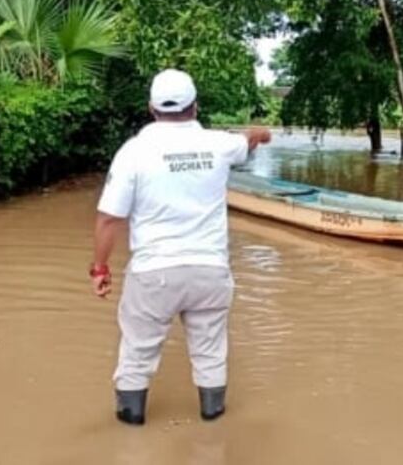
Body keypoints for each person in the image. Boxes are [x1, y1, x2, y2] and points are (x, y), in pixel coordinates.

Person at [89, 69, 271, 426]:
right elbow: (246, 140)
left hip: (154, 275)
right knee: (210, 353)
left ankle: (131, 429)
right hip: (210, 274)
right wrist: (262, 134)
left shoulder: (133, 152)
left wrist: (100, 268)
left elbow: (109, 219)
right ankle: (213, 425)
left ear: (150, 108)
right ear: (195, 107)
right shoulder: (218, 144)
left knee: (137, 355)